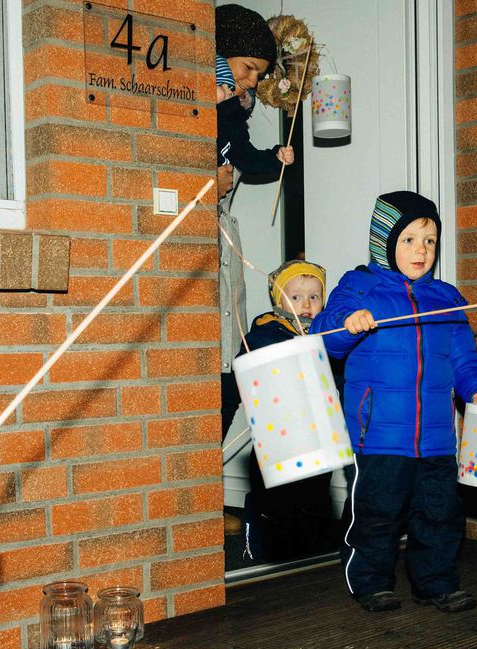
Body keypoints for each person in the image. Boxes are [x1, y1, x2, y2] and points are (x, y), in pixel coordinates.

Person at [309, 191, 477, 613]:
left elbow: (465, 359)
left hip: (436, 437)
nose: (421, 251)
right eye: (408, 240)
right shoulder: (360, 287)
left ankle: (437, 582)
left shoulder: (446, 298)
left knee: (439, 513)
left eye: (429, 241)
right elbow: (324, 337)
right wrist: (347, 324)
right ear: (385, 241)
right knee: (377, 512)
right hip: (377, 434)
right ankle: (370, 582)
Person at [222, 260, 336, 561]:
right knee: (272, 499)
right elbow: (245, 369)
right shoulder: (266, 332)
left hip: (314, 435)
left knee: (314, 495)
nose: (306, 304)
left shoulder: (327, 334)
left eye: (314, 296)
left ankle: (306, 551)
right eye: (295, 297)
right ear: (278, 301)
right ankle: (260, 546)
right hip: (277, 437)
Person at [215, 3, 295, 434]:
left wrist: (275, 157)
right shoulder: (198, 96)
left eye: (260, 74)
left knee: (230, 356)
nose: (251, 81)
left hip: (221, 237)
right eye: (248, 68)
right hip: (195, 235)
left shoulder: (232, 109)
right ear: (220, 53)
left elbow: (243, 155)